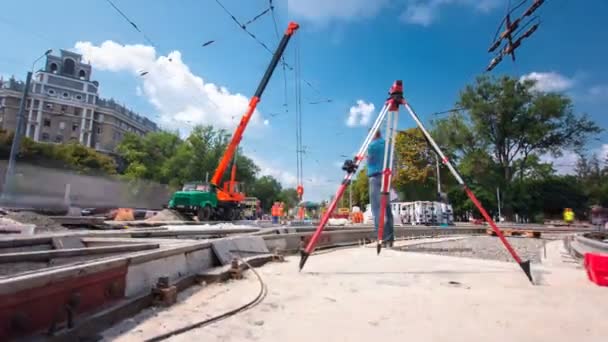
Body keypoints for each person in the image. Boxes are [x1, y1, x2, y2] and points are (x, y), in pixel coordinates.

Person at [367, 130, 394, 247]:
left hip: (375, 177)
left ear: (373, 134)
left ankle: (381, 239)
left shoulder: (371, 145)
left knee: (377, 209)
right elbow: (394, 160)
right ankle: (390, 239)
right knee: (387, 209)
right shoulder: (388, 144)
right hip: (387, 178)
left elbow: (369, 159)